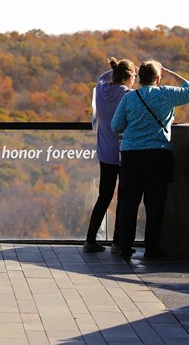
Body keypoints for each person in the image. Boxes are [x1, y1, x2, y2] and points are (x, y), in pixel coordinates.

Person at [111, 60, 189, 259]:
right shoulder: (166, 93)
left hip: (131, 155)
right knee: (155, 203)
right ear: (158, 78)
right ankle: (152, 247)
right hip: (157, 154)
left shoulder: (129, 98)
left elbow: (116, 126)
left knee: (129, 202)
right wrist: (169, 71)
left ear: (139, 77)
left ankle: (124, 246)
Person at [83, 57, 136, 253]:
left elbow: (101, 78)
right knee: (124, 198)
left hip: (104, 152)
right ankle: (117, 242)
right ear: (129, 76)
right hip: (124, 152)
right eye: (135, 76)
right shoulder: (128, 95)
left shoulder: (100, 91)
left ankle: (90, 239)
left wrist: (115, 69)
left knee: (104, 196)